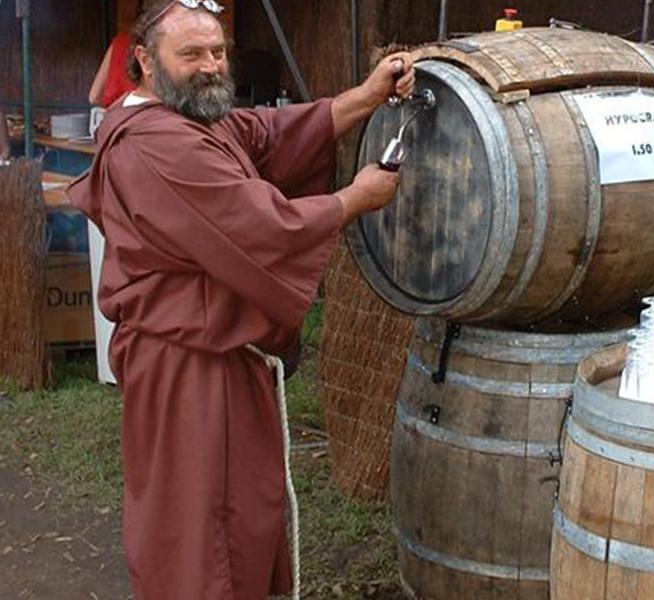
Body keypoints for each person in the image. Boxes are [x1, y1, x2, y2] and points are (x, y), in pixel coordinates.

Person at [65, 0, 413, 598]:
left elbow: (268, 135)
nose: (210, 66)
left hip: (216, 357)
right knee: (203, 532)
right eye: (191, 54)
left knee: (233, 516)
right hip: (189, 370)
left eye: (218, 52)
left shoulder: (190, 121)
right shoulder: (156, 146)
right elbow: (260, 227)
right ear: (144, 61)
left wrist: (366, 95)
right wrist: (355, 198)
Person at [89, 29, 139, 107]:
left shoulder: (119, 42)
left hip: (114, 114)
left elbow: (93, 97)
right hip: (144, 115)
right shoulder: (156, 47)